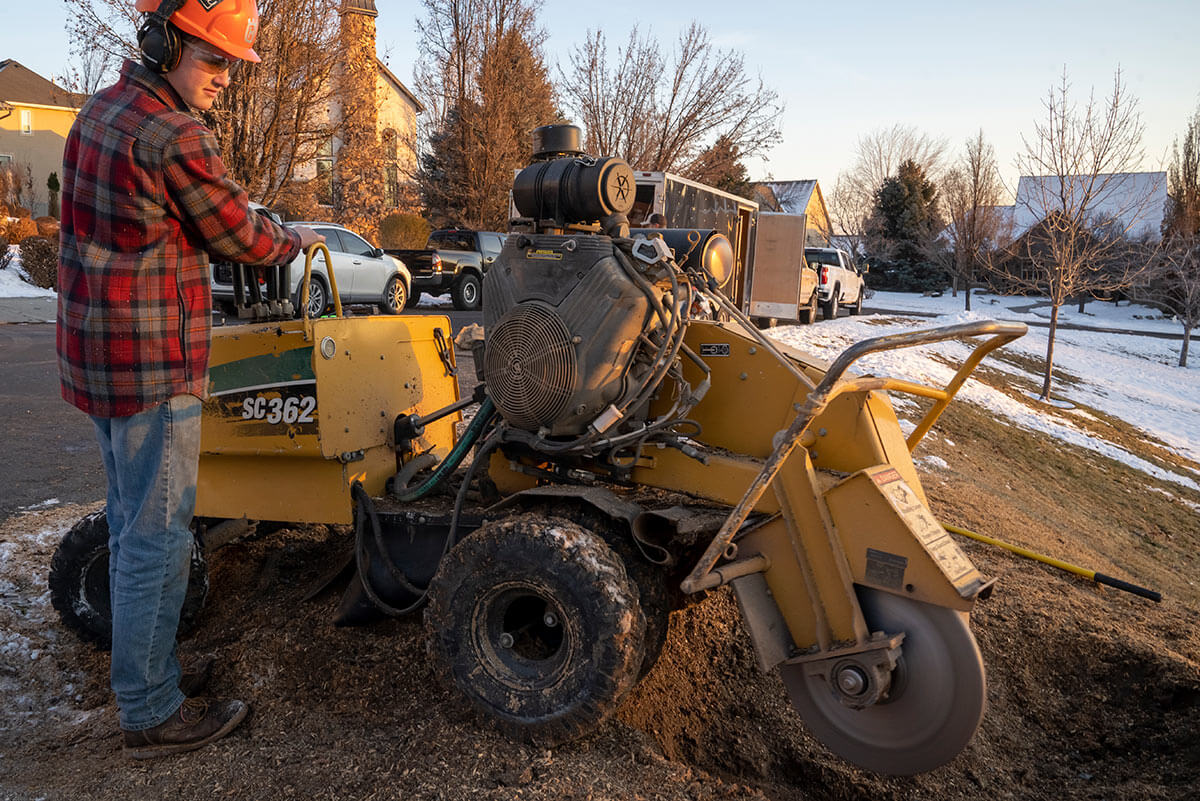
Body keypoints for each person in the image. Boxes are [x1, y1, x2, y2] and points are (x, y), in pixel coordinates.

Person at [56, 0, 323, 759]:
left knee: (127, 517)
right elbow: (240, 233)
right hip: (151, 365)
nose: (223, 79)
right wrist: (293, 237)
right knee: (157, 537)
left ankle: (153, 671)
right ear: (161, 39)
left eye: (230, 65)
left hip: (97, 359)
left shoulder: (99, 112)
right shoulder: (172, 133)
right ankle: (150, 708)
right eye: (212, 60)